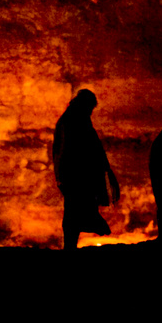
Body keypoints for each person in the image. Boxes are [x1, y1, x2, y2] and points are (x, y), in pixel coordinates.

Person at [53, 89, 120, 250]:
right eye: (90, 108)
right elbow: (69, 150)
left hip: (76, 175)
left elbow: (92, 147)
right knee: (73, 214)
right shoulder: (73, 121)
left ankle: (72, 245)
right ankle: (71, 245)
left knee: (74, 212)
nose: (91, 112)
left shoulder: (75, 119)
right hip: (76, 176)